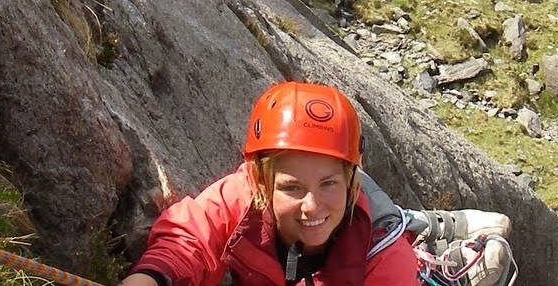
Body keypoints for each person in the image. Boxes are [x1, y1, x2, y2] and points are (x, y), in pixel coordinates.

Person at [118, 81, 515, 286]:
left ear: (351, 180)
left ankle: (435, 260)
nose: (311, 204)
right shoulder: (244, 198)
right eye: (292, 188)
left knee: (389, 244)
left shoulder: (382, 260)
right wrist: (150, 277)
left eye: (328, 183)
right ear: (261, 181)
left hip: (372, 251)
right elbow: (191, 238)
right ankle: (418, 225)